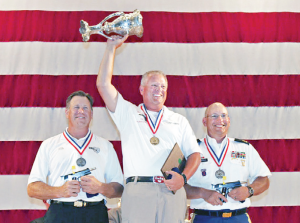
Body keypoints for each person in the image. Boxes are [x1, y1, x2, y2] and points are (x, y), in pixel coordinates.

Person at [96, 35, 201, 223]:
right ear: (142, 89)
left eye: (163, 86)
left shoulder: (179, 120)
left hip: (172, 190)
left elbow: (195, 154)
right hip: (138, 192)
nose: (159, 90)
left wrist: (183, 178)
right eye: (153, 85)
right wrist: (111, 48)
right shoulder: (127, 113)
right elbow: (103, 85)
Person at [27, 90, 124, 223]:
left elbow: (119, 188)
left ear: (91, 114)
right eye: (76, 107)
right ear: (67, 112)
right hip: (59, 213)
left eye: (85, 108)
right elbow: (32, 188)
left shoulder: (105, 146)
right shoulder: (49, 145)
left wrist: (100, 187)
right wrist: (59, 191)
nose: (81, 111)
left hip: (95, 213)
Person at [185, 102, 271, 222]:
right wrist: (203, 193)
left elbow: (264, 180)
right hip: (204, 218)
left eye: (223, 115)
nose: (220, 120)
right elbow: (178, 186)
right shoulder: (191, 149)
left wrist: (249, 190)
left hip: (238, 217)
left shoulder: (244, 148)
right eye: (214, 116)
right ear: (204, 122)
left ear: (229, 121)